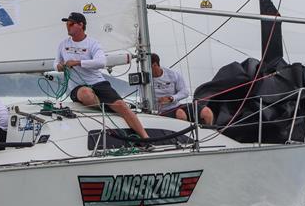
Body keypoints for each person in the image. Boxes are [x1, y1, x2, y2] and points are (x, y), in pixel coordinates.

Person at [56, 12, 149, 140]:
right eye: (67, 24)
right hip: (77, 87)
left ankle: (146, 138)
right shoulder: (63, 44)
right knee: (86, 94)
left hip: (98, 82)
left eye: (71, 23)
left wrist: (78, 62)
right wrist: (59, 66)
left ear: (81, 25)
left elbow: (101, 62)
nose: (68, 26)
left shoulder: (93, 43)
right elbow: (55, 63)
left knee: (122, 106)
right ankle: (110, 110)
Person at [150, 53, 214, 125]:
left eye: (148, 67)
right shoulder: (144, 80)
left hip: (176, 106)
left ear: (155, 65)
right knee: (180, 114)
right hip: (161, 112)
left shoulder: (172, 74)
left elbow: (185, 92)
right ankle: (186, 135)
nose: (146, 70)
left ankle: (208, 131)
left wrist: (171, 98)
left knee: (206, 112)